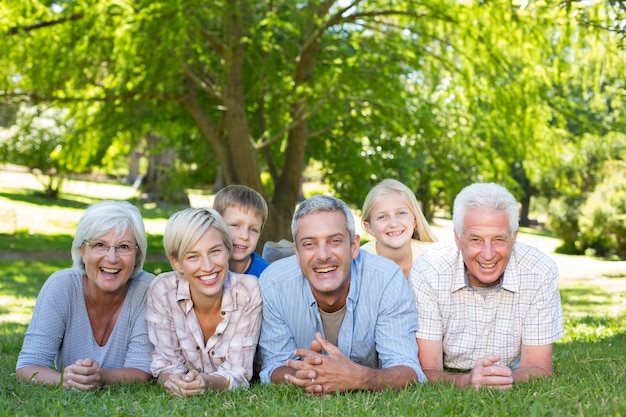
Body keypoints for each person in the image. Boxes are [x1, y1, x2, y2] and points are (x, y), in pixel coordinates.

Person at [258, 195, 426, 395]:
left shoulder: (386, 280)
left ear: (354, 246)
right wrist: (311, 375)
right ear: (296, 252)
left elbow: (408, 370)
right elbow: (273, 366)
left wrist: (359, 377)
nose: (322, 255)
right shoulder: (274, 284)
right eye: (309, 244)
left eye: (335, 241)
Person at [409, 182, 564, 390]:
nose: (488, 254)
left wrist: (499, 378)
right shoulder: (429, 270)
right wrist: (466, 381)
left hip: (511, 369)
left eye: (499, 239)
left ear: (514, 237)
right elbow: (427, 370)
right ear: (457, 238)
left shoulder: (540, 271)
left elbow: (539, 367)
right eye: (476, 240)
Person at [16, 201, 154, 390]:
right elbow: (27, 366)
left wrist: (97, 376)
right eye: (99, 244)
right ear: (82, 251)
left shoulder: (148, 291)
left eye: (123, 247)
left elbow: (141, 371)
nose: (112, 258)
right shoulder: (61, 287)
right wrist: (65, 380)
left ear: (137, 255)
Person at [147, 208, 262, 396]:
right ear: (176, 262)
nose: (208, 266)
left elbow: (239, 372)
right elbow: (165, 364)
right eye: (193, 256)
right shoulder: (163, 290)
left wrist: (207, 383)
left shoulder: (247, 291)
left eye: (215, 251)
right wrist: (176, 382)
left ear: (228, 250)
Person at [361, 179, 438, 278]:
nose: (393, 224)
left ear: (415, 220)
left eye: (401, 213)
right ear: (369, 227)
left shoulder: (433, 258)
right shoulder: (357, 266)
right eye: (382, 217)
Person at [213, 185, 270, 277]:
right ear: (216, 225)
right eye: (235, 225)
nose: (244, 236)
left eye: (253, 229)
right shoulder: (205, 268)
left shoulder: (267, 275)